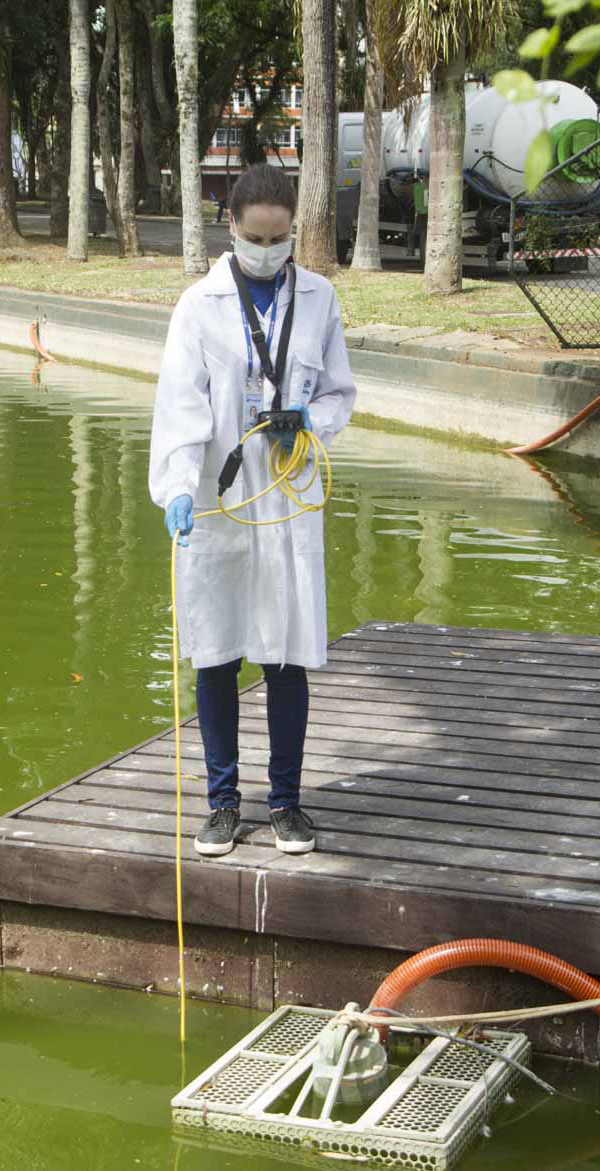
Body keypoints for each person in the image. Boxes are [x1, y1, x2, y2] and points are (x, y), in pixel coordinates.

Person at [149, 164, 357, 859]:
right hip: (217, 501)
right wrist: (178, 488)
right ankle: (222, 804)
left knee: (285, 654)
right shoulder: (198, 306)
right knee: (216, 652)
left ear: (293, 230)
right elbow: (180, 407)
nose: (268, 249)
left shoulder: (320, 299)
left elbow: (338, 393)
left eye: (280, 237)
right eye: (255, 237)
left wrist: (309, 423)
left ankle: (288, 804)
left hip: (287, 500)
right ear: (231, 228)